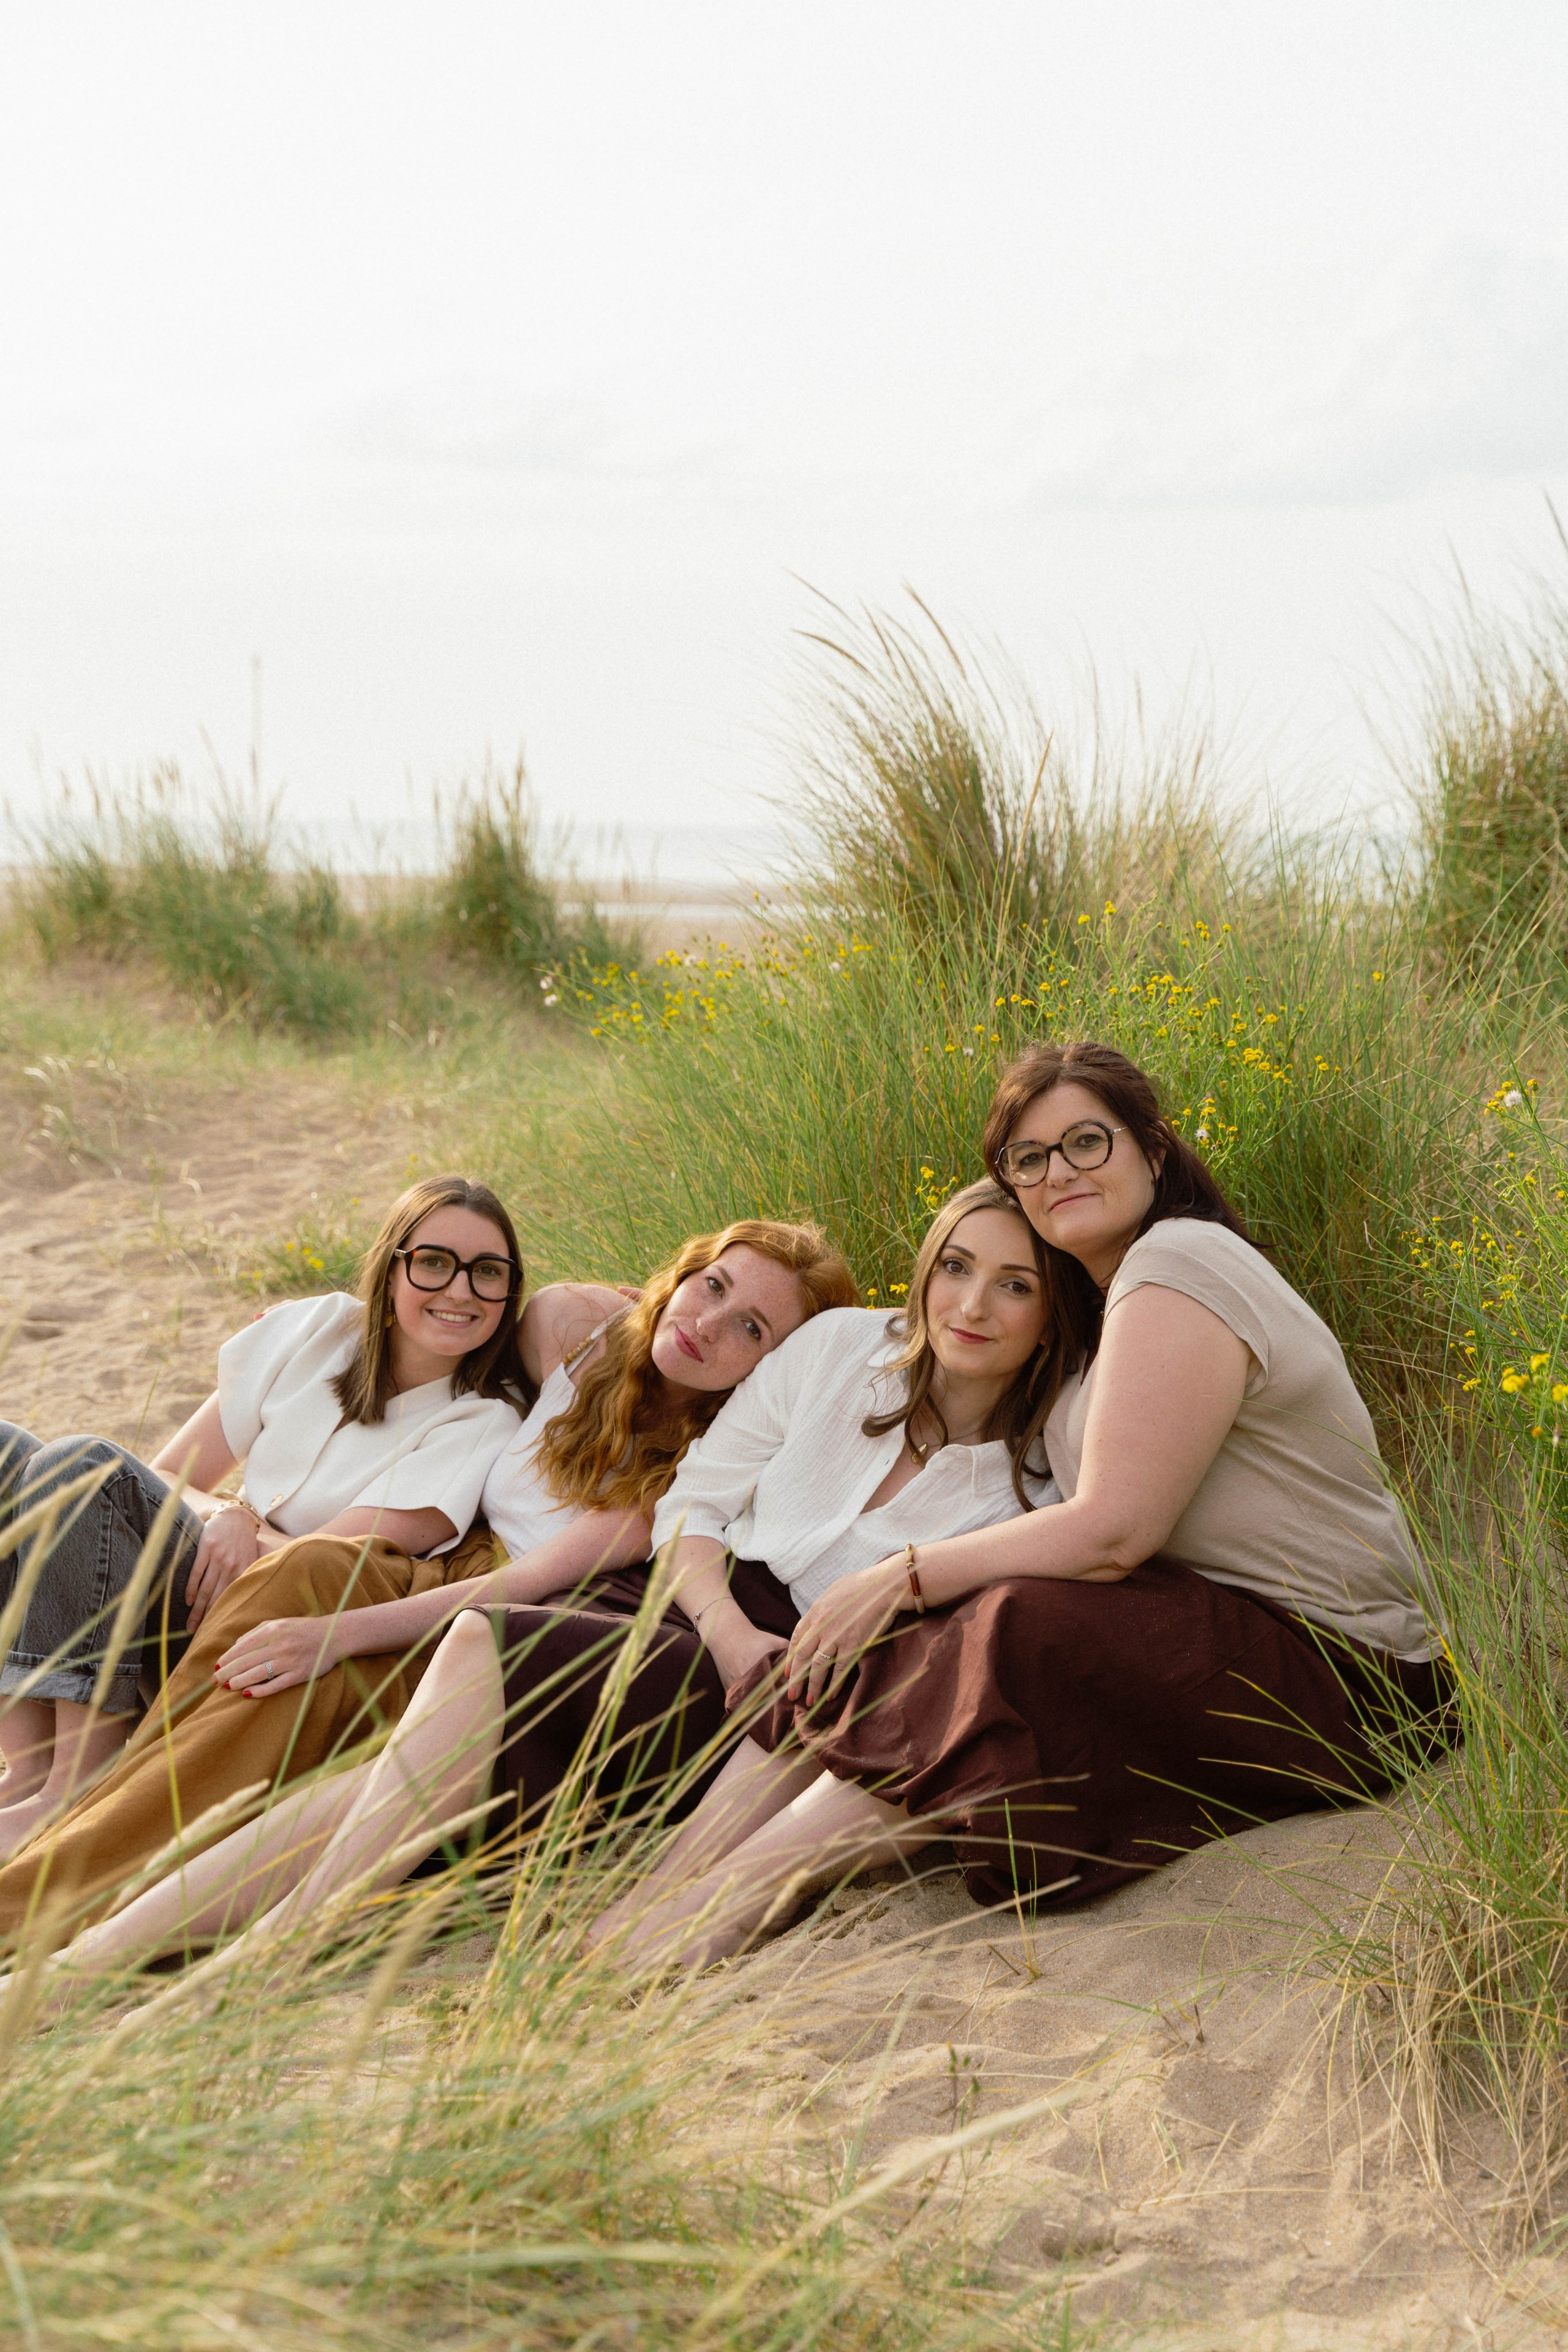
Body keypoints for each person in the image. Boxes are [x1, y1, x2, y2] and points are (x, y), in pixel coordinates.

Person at [35, 1183, 1052, 1986]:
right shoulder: (636, 1351)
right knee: (352, 1765)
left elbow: (582, 1562)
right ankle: (85, 1955)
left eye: (752, 1331)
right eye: (711, 1289)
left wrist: (341, 1631)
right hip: (599, 1616)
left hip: (569, 1624)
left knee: (326, 1656)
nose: (713, 1324)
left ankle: (212, 1926)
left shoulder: (1024, 1472)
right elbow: (551, 1317)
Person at [589, 1039, 1447, 1970]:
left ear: (1153, 1151)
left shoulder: (1180, 1263)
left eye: (1087, 1142)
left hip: (1346, 1666)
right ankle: (658, 1892)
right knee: (916, 1642)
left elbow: (1116, 1530)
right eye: (1029, 1157)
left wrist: (903, 1575)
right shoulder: (1109, 1309)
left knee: (1000, 1628)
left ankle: (720, 1905)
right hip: (1217, 1626)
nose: (1059, 1172)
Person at [0, 1172, 530, 1866]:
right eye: (433, 1261)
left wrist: (239, 1522)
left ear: (508, 1292)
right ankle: (27, 1765)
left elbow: (329, 1561)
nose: (460, 1289)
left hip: (256, 1632)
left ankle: (76, 1780)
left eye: (487, 1273)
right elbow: (170, 1473)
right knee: (10, 1455)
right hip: (195, 1583)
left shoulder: (484, 1418)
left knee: (84, 1467)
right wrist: (228, 1515)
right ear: (391, 1266)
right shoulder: (318, 1331)